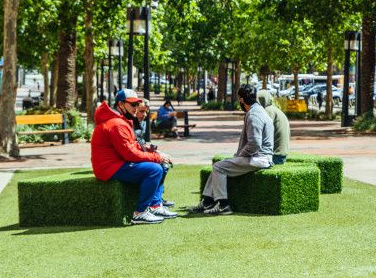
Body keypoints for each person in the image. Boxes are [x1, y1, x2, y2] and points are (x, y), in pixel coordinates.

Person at [91, 89, 177, 225]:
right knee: (155, 169)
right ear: (121, 104)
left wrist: (153, 152)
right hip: (110, 168)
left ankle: (155, 206)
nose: (136, 108)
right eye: (133, 104)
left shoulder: (119, 121)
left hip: (116, 164)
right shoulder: (117, 124)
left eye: (137, 104)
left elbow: (131, 146)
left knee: (162, 166)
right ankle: (139, 213)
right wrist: (156, 157)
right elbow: (130, 154)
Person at [193, 84, 275, 215]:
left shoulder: (254, 115)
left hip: (259, 158)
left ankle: (223, 205)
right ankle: (207, 202)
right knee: (219, 165)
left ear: (241, 99)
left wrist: (240, 155)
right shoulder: (258, 111)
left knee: (218, 167)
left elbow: (255, 144)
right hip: (260, 157)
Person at [260, 90, 290, 159]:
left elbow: (262, 130)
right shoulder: (273, 109)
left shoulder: (268, 111)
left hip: (274, 154)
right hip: (281, 153)